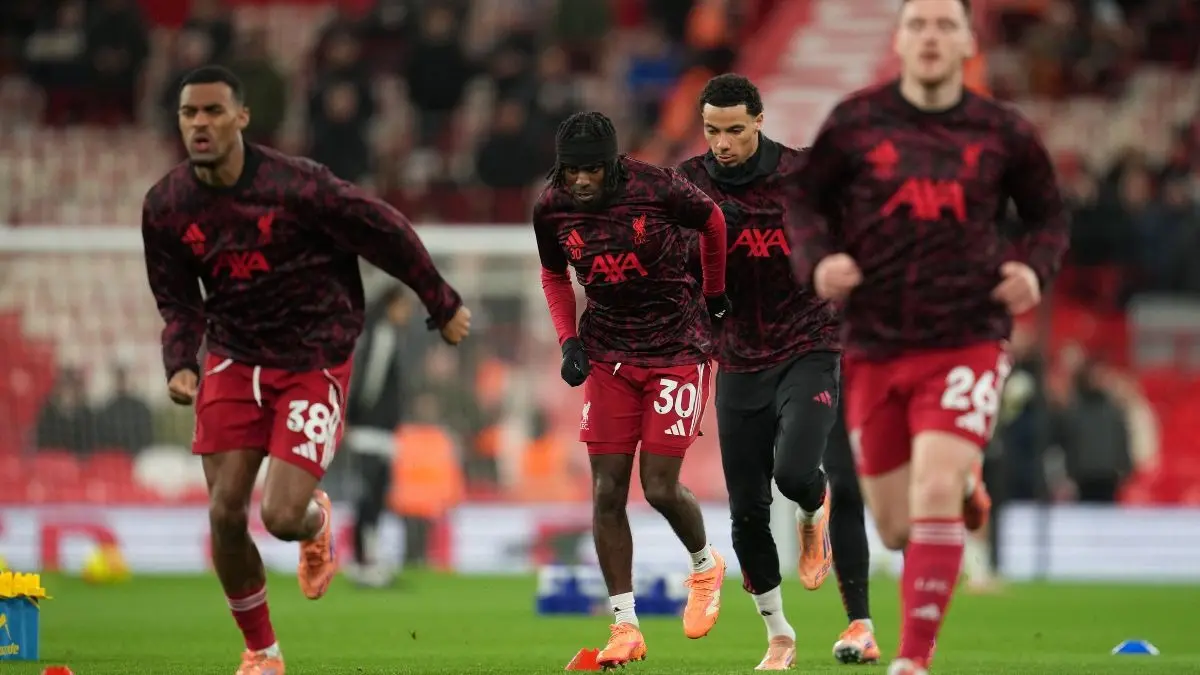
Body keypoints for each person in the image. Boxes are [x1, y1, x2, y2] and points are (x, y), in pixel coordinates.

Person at [141, 65, 471, 675]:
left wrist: (440, 300)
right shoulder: (166, 206)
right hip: (234, 357)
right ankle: (262, 652)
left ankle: (315, 523)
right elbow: (177, 299)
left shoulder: (298, 186)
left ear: (241, 117)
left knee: (281, 516)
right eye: (190, 114)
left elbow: (384, 230)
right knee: (223, 512)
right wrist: (180, 362)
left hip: (313, 356)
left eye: (213, 111)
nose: (201, 124)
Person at [785, 1, 1069, 673]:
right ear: (900, 39)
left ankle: (913, 659)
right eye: (919, 24)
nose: (932, 37)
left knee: (933, 488)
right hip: (876, 343)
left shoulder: (1003, 131)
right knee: (894, 525)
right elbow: (803, 206)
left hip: (967, 335)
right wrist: (819, 261)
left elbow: (1048, 216)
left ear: (969, 39)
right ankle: (965, 477)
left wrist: (1033, 267)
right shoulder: (855, 124)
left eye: (946, 24)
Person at [677, 73, 878, 670]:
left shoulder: (802, 175)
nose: (723, 143)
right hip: (736, 358)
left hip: (809, 344)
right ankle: (779, 635)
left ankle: (814, 510)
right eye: (712, 130)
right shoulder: (686, 186)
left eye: (735, 129)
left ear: (759, 121)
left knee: (794, 472)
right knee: (745, 511)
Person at [533, 111, 732, 668]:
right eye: (571, 171)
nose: (580, 182)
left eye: (591, 170)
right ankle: (625, 626)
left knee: (661, 486)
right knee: (605, 493)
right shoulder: (550, 207)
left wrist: (714, 295)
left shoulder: (657, 186)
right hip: (609, 357)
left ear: (613, 165)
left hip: (676, 350)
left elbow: (713, 220)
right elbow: (554, 274)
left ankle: (704, 563)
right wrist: (569, 341)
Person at [343, 285, 412, 588]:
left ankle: (365, 559)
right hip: (372, 431)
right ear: (392, 305)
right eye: (403, 306)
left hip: (376, 432)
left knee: (371, 497)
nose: (406, 313)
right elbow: (369, 382)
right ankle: (365, 562)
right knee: (370, 497)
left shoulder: (380, 334)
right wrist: (355, 418)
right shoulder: (382, 335)